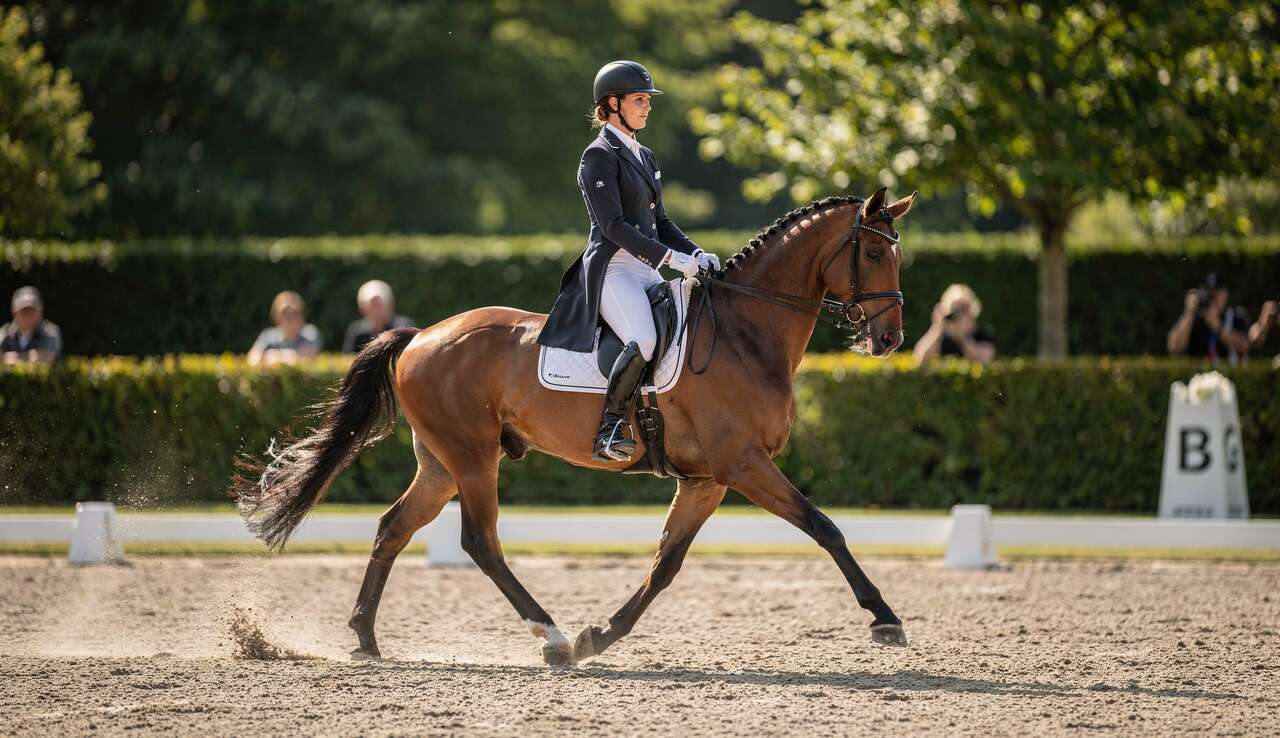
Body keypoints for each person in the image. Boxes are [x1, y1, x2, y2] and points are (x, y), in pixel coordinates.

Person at [537, 60, 719, 463]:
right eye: (640, 100)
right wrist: (672, 259)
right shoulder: (597, 156)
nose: (647, 107)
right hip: (613, 269)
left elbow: (662, 222)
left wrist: (694, 253)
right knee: (646, 338)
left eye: (647, 100)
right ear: (613, 104)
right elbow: (613, 225)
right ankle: (610, 428)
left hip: (645, 268)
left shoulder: (645, 155)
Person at [1166, 273, 1250, 364]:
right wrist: (1188, 313)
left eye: (1217, 293)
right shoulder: (1194, 318)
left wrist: (1218, 326)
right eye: (1209, 293)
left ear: (1226, 294)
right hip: (1199, 376)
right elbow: (1174, 348)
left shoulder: (1236, 316)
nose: (1213, 297)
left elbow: (1244, 346)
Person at [912, 284, 996, 364]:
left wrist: (962, 338)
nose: (960, 314)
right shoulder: (942, 338)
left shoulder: (985, 333)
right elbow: (919, 358)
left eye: (963, 308)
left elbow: (986, 358)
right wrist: (937, 328)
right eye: (955, 309)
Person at [248, 291, 322, 366]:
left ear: (302, 315)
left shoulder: (310, 333)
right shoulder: (268, 335)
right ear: (276, 316)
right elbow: (253, 359)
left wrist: (272, 356)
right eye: (285, 313)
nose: (290, 318)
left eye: (295, 313)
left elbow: (308, 355)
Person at [342, 279, 414, 353]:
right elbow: (347, 358)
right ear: (362, 309)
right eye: (372, 305)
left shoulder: (404, 327)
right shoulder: (355, 331)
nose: (377, 311)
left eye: (379, 305)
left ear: (391, 305)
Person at [1, 286, 62, 365]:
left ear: (40, 312)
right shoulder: (5, 332)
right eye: (24, 312)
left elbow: (49, 358)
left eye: (32, 311)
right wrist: (30, 356)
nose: (29, 316)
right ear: (14, 313)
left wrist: (9, 358)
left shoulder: (50, 332)